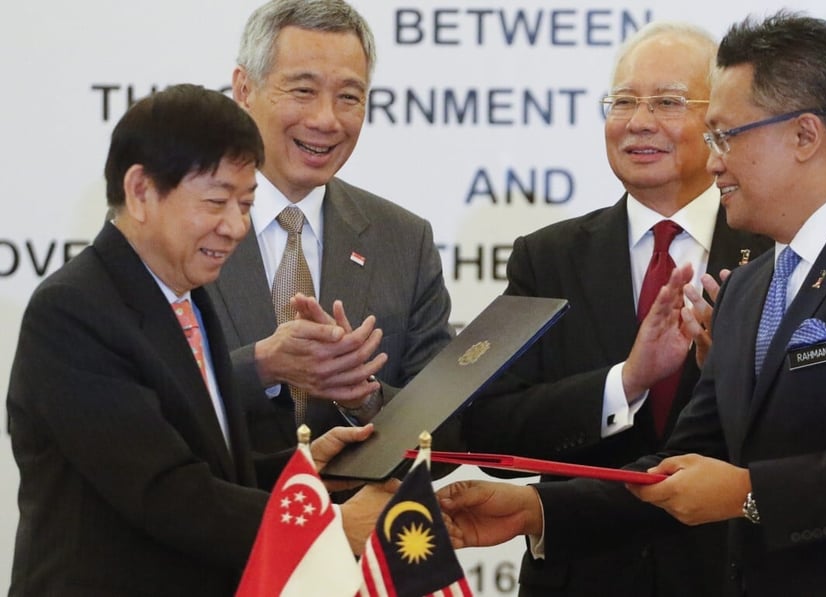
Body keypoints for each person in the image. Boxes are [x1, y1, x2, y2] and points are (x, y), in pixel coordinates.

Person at [440, 11, 826, 596]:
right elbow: (689, 459)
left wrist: (747, 492)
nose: (713, 162)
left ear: (805, 135)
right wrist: (537, 509)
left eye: (725, 136)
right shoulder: (752, 284)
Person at [7, 84, 392, 596]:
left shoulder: (186, 296)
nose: (235, 227)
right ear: (141, 191)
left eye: (246, 204)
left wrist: (301, 474)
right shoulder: (74, 311)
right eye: (216, 202)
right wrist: (328, 527)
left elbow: (205, 461)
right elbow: (163, 492)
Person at [459, 21, 769, 596]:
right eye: (623, 101)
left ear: (720, 125)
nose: (638, 122)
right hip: (585, 576)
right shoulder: (547, 258)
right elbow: (488, 430)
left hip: (733, 574)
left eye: (668, 102)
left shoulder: (775, 250)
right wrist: (624, 384)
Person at [207, 0, 454, 455]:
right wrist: (261, 367)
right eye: (303, 91)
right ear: (244, 88)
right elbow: (134, 402)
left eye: (349, 97)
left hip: (355, 521)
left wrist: (366, 398)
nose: (326, 119)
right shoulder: (181, 225)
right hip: (210, 520)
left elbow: (443, 436)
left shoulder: (404, 241)